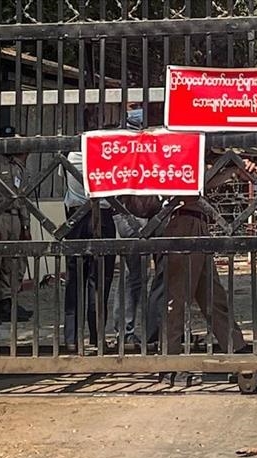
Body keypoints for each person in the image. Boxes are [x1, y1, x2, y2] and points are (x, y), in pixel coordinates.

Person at [124, 161, 253, 386]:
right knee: (177, 298)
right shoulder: (176, 152)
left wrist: (231, 170)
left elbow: (202, 182)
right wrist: (229, 168)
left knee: (212, 297)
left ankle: (238, 352)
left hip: (194, 221)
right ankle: (170, 364)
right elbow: (196, 180)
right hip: (181, 220)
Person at [61, 132, 117, 354]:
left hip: (75, 217)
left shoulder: (70, 155)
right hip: (102, 216)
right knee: (99, 281)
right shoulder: (109, 155)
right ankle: (97, 337)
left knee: (74, 280)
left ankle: (72, 338)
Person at [0, 125, 34, 323]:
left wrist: (25, 225)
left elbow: (23, 198)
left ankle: (6, 302)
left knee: (12, 262)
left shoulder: (17, 167)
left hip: (15, 217)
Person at [111, 104, 147, 344]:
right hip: (131, 211)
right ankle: (127, 331)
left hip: (152, 209)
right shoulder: (121, 141)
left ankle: (152, 329)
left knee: (142, 274)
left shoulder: (118, 142)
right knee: (134, 274)